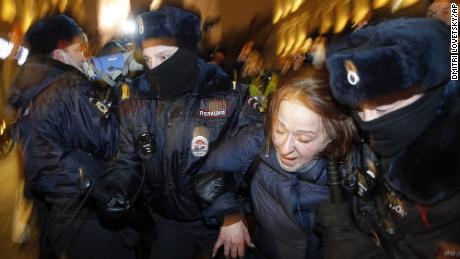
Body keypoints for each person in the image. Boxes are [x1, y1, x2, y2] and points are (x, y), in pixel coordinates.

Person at [102, 5, 261, 259]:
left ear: (187, 52)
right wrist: (114, 188)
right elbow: (128, 160)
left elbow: (253, 156)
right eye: (149, 60)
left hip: (219, 222)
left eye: (163, 58)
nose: (155, 69)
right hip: (167, 225)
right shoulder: (136, 101)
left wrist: (229, 210)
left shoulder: (227, 96)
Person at [317, 17, 460, 258]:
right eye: (359, 108)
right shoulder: (365, 132)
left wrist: (347, 242)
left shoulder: (447, 187)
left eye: (382, 109)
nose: (369, 120)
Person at [8, 14, 137, 259]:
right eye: (78, 48)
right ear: (59, 52)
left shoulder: (32, 86)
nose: (84, 55)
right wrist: (120, 97)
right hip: (90, 211)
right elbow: (110, 140)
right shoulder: (69, 87)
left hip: (61, 207)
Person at [194, 68, 357, 259]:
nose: (285, 148)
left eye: (304, 138)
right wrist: (229, 215)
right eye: (280, 129)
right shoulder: (256, 141)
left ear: (334, 135)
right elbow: (206, 171)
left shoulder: (352, 167)